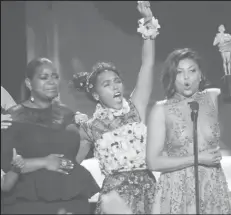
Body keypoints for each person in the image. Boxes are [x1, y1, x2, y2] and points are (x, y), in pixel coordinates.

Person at [146, 45, 231, 213]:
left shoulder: (212, 98)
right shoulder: (161, 110)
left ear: (200, 75)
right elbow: (153, 162)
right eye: (179, 72)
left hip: (212, 185)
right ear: (172, 77)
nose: (186, 78)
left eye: (192, 71)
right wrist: (197, 159)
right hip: (177, 188)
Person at [73, 1, 160, 213]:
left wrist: (148, 24)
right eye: (107, 84)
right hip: (116, 198)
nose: (115, 86)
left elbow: (147, 64)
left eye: (117, 81)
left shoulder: (135, 107)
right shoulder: (89, 127)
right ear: (95, 94)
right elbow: (72, 163)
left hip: (148, 191)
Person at [1, 57, 100, 214]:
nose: (52, 82)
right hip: (30, 202)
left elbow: (74, 156)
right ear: (28, 83)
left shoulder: (68, 114)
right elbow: (7, 167)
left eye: (55, 76)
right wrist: (44, 162)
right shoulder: (12, 118)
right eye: (44, 77)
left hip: (72, 199)